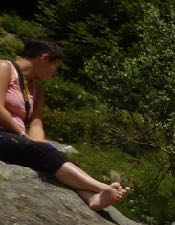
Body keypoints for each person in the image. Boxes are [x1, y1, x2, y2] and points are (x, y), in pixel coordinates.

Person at [1, 38, 130, 210]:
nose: (55, 73)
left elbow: (36, 122)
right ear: (44, 58)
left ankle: (91, 196)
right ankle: (100, 187)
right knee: (42, 151)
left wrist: (37, 142)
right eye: (56, 67)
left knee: (50, 154)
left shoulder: (37, 88)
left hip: (17, 138)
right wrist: (22, 134)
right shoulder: (4, 68)